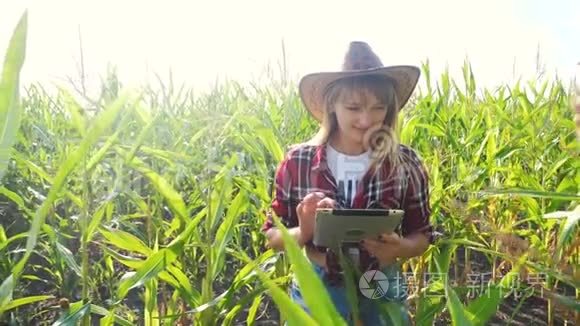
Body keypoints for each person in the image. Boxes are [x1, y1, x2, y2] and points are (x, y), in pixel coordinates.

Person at [261, 41, 434, 325]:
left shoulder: (405, 163)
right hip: (319, 282)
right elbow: (272, 238)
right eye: (353, 107)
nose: (367, 119)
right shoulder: (298, 162)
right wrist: (304, 230)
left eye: (378, 108)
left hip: (380, 279)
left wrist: (400, 248)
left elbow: (422, 234)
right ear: (332, 105)